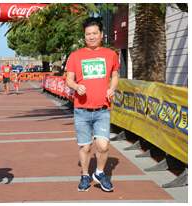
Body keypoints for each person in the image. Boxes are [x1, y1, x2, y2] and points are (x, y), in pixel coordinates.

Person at [66, 17, 119, 192]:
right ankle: (84, 175)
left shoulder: (110, 54)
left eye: (95, 33)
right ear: (84, 36)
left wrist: (112, 88)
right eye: (88, 34)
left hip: (102, 109)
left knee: (103, 146)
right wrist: (76, 86)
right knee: (86, 147)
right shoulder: (75, 56)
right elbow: (69, 79)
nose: (91, 36)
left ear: (101, 35)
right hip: (81, 110)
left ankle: (99, 172)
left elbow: (115, 75)